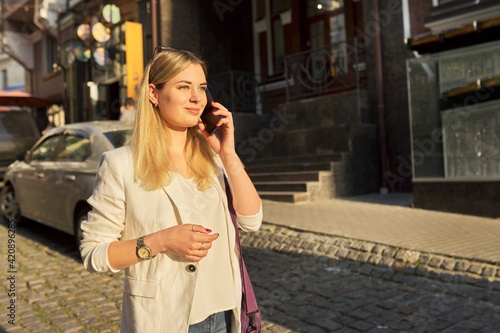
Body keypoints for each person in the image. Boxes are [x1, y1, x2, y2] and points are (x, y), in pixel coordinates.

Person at [80, 47, 263, 333]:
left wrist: (229, 155)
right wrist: (161, 241)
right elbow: (94, 254)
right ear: (154, 93)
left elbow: (252, 221)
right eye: (183, 87)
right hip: (168, 319)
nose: (196, 98)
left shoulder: (213, 157)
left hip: (227, 314)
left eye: (201, 88)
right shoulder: (121, 164)